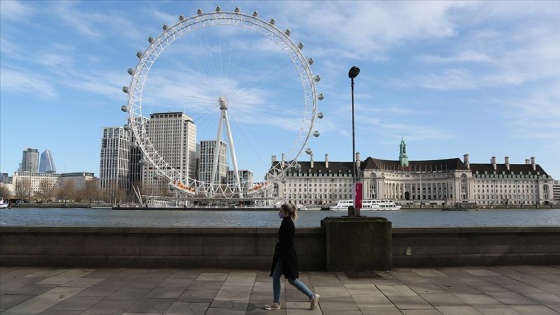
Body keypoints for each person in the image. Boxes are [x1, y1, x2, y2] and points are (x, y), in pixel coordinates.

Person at [264, 203, 320, 311]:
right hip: (284, 255)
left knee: (291, 279)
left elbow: (288, 242)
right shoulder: (286, 222)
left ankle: (312, 296)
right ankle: (277, 302)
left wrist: (280, 249)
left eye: (281, 211)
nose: (279, 212)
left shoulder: (288, 224)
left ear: (286, 212)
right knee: (281, 278)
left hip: (286, 256)